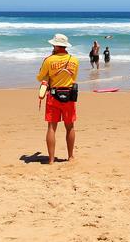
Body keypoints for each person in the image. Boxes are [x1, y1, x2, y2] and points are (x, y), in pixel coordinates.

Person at [37, 34, 79, 164]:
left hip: (53, 96)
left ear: (55, 45)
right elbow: (74, 78)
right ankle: (70, 156)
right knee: (70, 127)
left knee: (51, 128)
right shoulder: (74, 60)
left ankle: (51, 159)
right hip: (69, 96)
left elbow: (40, 77)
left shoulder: (49, 60)